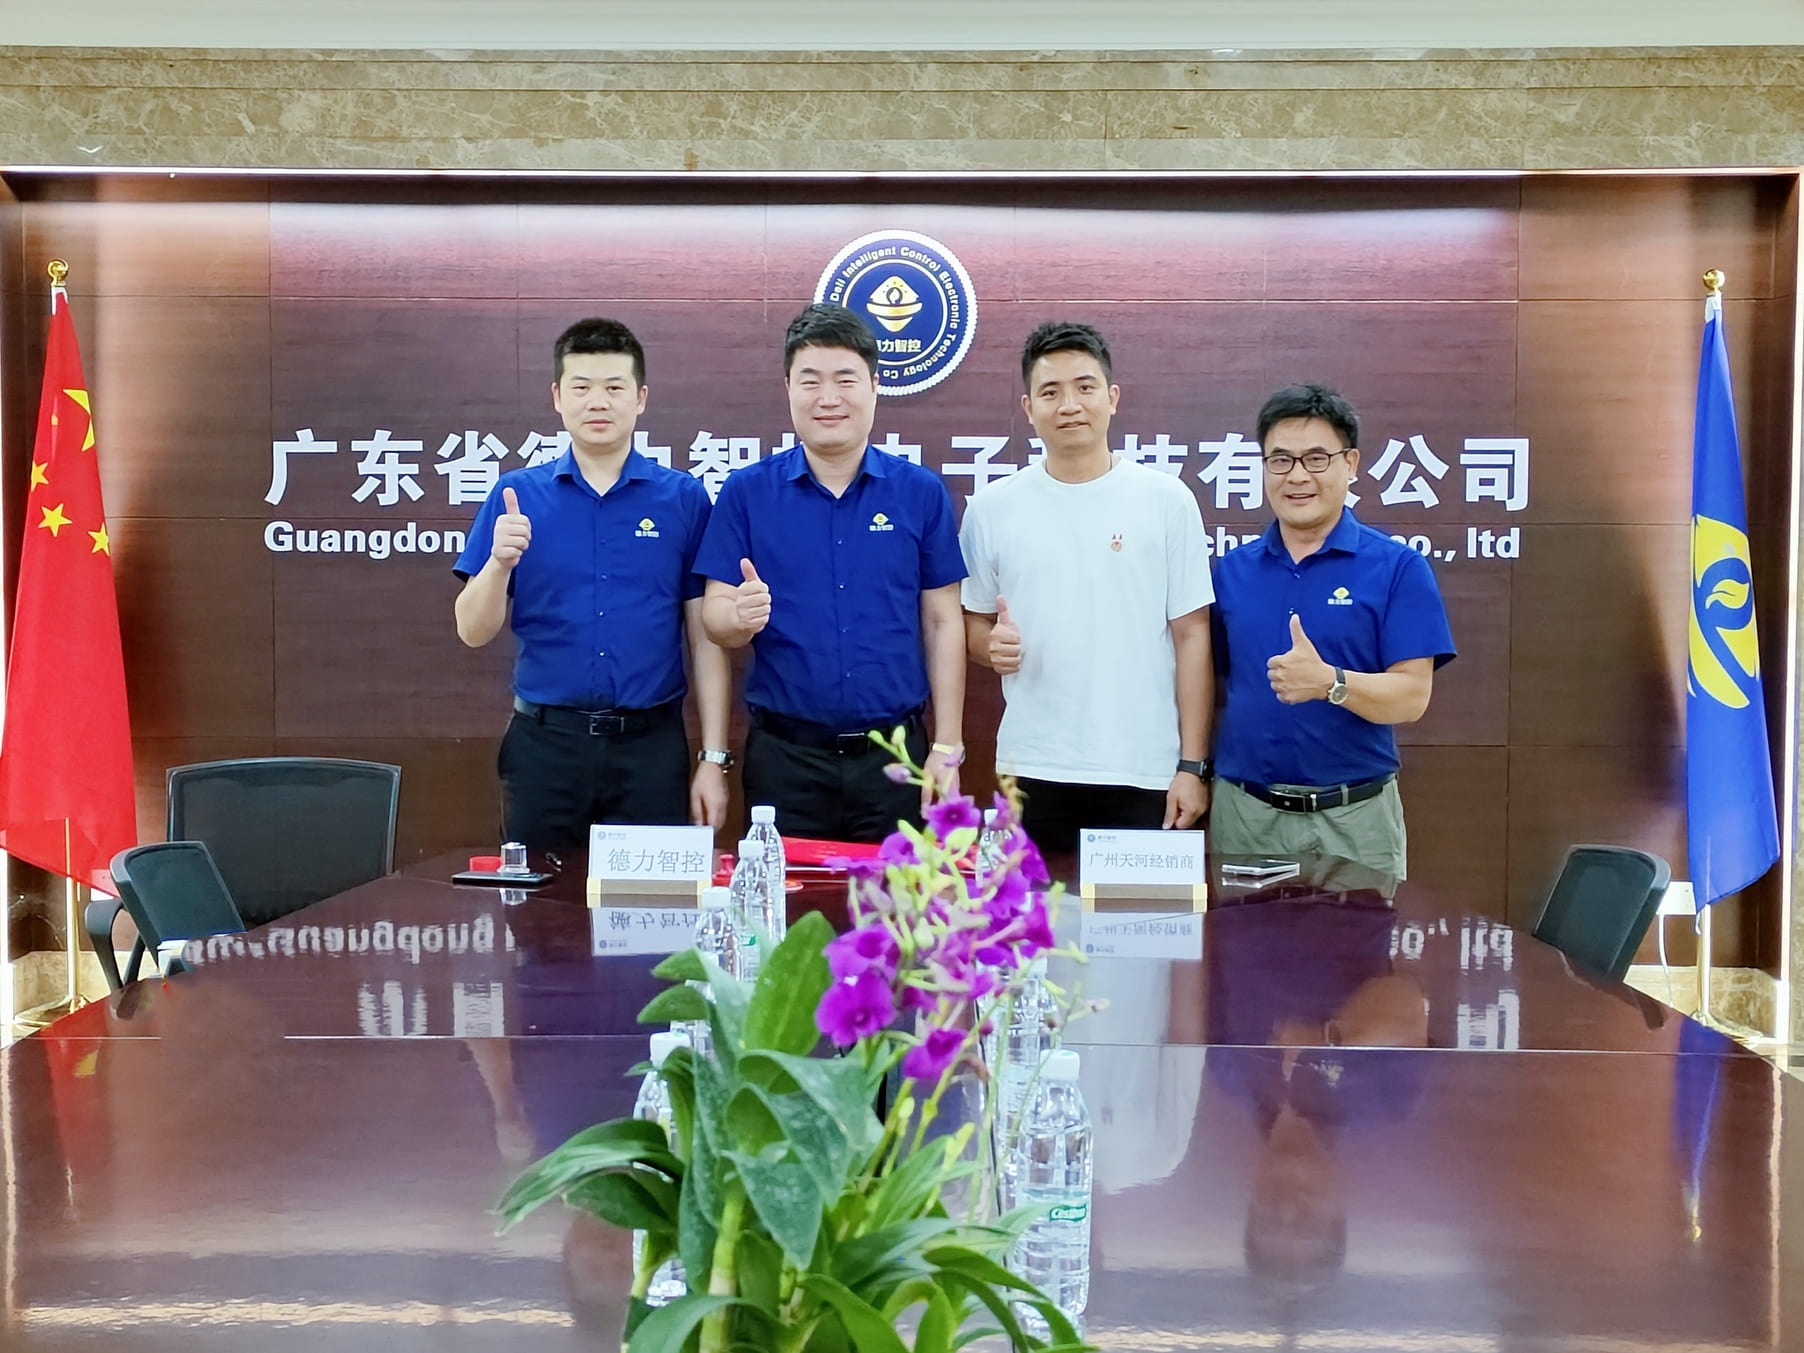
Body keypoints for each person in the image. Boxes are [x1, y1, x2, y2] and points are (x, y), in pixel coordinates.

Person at [453, 317, 730, 857]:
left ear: (641, 398)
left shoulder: (682, 498)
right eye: (580, 387)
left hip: (650, 751)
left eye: (614, 387)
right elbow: (472, 630)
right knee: (538, 904)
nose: (597, 402)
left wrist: (713, 759)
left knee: (651, 907)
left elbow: (705, 639)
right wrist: (499, 563)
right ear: (558, 397)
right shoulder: (516, 495)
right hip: (545, 747)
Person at [697, 303, 967, 843]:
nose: (828, 398)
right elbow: (715, 620)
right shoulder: (747, 493)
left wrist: (947, 746)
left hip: (896, 761)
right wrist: (739, 618)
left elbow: (943, 623)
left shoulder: (919, 492)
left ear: (874, 386)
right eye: (810, 381)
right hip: (786, 762)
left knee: (897, 900)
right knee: (787, 901)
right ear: (788, 389)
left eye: (845, 380)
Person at [960, 321, 1214, 856]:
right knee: (1032, 910)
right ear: (1029, 408)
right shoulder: (991, 508)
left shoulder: (1166, 500)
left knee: (1135, 913)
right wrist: (987, 646)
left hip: (1143, 768)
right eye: (1051, 392)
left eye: (1085, 387)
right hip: (1031, 766)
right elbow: (971, 623)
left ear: (1112, 398)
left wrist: (1192, 766)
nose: (1069, 405)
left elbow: (1192, 637)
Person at [1209, 383, 1456, 879]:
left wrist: (1331, 683)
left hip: (1356, 817)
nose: (1297, 476)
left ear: (1352, 464)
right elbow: (1209, 684)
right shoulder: (1230, 572)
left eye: (1317, 459)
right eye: (1280, 460)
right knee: (1241, 935)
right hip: (1247, 817)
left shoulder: (1397, 568)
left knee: (1359, 936)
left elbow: (1412, 697)